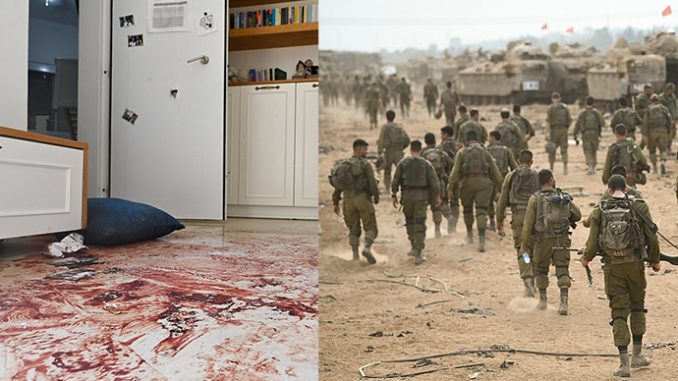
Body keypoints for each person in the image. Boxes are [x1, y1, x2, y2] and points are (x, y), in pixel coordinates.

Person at [581, 175, 660, 377]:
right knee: (637, 306)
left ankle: (624, 364)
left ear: (608, 190)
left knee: (618, 312)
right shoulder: (639, 206)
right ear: (626, 188)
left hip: (613, 268)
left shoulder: (601, 208)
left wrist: (586, 258)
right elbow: (651, 236)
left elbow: (591, 242)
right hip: (635, 266)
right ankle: (638, 355)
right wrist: (655, 260)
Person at [521, 169, 581, 315]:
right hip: (562, 238)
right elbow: (578, 215)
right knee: (562, 267)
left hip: (542, 240)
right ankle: (564, 303)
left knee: (541, 269)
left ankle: (542, 301)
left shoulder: (535, 198)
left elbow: (528, 224)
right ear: (551, 180)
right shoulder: (562, 197)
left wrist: (524, 244)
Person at [447, 130, 503, 252]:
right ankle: (481, 240)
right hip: (484, 183)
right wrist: (501, 187)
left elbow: (455, 172)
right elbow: (495, 172)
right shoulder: (485, 151)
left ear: (466, 140)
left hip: (467, 183)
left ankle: (470, 235)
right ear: (477, 139)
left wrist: (450, 187)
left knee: (467, 210)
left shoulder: (462, 152)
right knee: (481, 211)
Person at [496, 149, 540, 297]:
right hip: (536, 216)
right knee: (535, 247)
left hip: (518, 217)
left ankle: (528, 280)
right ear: (531, 161)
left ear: (518, 161)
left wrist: (499, 218)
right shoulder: (537, 176)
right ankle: (535, 280)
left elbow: (502, 200)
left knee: (523, 249)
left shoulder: (511, 175)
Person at [391, 140, 441, 264]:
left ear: (411, 149)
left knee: (409, 222)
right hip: (421, 197)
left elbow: (395, 180)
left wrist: (394, 194)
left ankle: (414, 245)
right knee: (419, 223)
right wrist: (437, 196)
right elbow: (434, 182)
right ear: (420, 149)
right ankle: (418, 251)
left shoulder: (403, 163)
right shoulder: (426, 164)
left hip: (407, 197)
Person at [331, 139, 380, 264]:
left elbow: (338, 187)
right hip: (362, 198)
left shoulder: (344, 165)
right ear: (358, 149)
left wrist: (336, 202)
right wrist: (376, 196)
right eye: (365, 149)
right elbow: (372, 182)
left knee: (353, 229)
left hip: (348, 201)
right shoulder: (365, 164)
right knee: (371, 227)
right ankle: (367, 248)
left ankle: (355, 255)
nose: (366, 151)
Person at [422, 133, 455, 237]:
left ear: (426, 141)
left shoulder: (423, 153)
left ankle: (437, 230)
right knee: (442, 202)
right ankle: (449, 215)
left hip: (429, 184)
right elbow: (452, 164)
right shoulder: (440, 152)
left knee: (435, 206)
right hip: (441, 182)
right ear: (434, 141)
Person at [486, 130, 518, 231]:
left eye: (489, 137)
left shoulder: (487, 150)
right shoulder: (506, 150)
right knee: (501, 202)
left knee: (489, 200)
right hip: (503, 179)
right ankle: (500, 225)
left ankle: (491, 222)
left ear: (493, 138)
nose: (488, 139)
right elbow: (514, 167)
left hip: (490, 179)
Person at [377, 110, 411, 193]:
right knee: (402, 170)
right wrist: (402, 148)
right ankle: (405, 187)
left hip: (389, 151)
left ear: (386, 117)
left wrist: (380, 152)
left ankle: (387, 188)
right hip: (399, 151)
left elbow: (381, 140)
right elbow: (407, 139)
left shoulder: (385, 127)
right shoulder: (399, 127)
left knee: (387, 170)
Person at [574, 96, 605, 175]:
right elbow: (602, 122)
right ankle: (593, 167)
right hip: (595, 133)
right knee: (594, 150)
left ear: (586, 103)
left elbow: (577, 125)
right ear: (593, 103)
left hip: (585, 133)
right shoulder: (596, 112)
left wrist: (575, 136)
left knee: (587, 150)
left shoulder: (582, 113)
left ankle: (590, 166)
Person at [439, 126, 461, 233]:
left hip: (446, 177)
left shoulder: (443, 146)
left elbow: (441, 161)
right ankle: (452, 228)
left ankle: (449, 218)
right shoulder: (458, 144)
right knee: (455, 202)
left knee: (442, 200)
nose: (441, 136)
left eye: (442, 134)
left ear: (446, 134)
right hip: (457, 176)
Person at [644, 94, 672, 175]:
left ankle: (655, 168)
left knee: (652, 150)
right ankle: (663, 162)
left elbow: (645, 122)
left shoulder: (648, 109)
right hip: (663, 130)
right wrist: (668, 131)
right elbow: (669, 120)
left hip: (652, 131)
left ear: (651, 100)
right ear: (658, 100)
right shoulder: (664, 108)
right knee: (663, 149)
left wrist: (645, 134)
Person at [546, 92, 572, 174]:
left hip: (554, 131)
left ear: (552, 99)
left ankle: (551, 168)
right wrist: (566, 128)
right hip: (563, 130)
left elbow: (548, 121)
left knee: (552, 149)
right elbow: (570, 120)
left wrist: (546, 133)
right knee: (564, 149)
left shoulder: (550, 108)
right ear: (560, 98)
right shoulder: (565, 108)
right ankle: (565, 168)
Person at [658, 82, 677, 152]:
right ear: (667, 89)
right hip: (665, 119)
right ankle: (664, 148)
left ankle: (669, 147)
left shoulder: (673, 96)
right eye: (671, 90)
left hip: (672, 118)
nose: (672, 92)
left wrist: (676, 117)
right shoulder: (661, 97)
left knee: (672, 134)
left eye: (673, 90)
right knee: (665, 134)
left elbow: (675, 107)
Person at [635, 85, 653, 149]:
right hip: (642, 119)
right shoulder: (639, 98)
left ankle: (641, 147)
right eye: (648, 90)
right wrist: (646, 110)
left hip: (651, 119)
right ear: (645, 90)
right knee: (645, 133)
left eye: (651, 90)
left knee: (648, 134)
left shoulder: (653, 97)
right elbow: (636, 110)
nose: (650, 92)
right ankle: (648, 147)